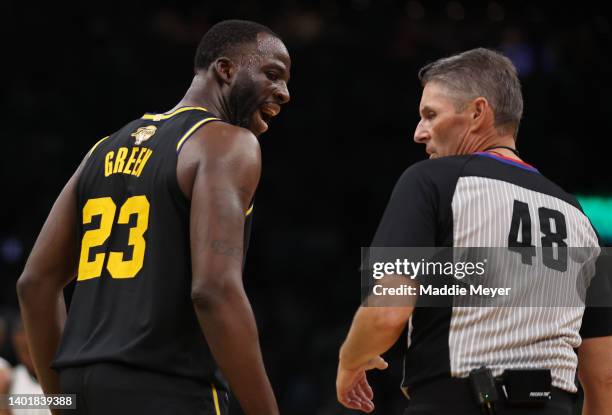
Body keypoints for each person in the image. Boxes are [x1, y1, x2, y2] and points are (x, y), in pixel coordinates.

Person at [17, 19, 290, 415]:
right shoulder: (227, 144)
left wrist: (62, 402)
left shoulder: (102, 149)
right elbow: (214, 291)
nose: (284, 92)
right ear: (226, 70)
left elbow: (35, 284)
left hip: (83, 388)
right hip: (167, 388)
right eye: (272, 74)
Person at [336, 48, 612, 414]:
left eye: (430, 115)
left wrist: (349, 360)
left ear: (477, 113)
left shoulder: (431, 180)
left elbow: (387, 312)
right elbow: (604, 378)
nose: (419, 133)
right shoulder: (580, 220)